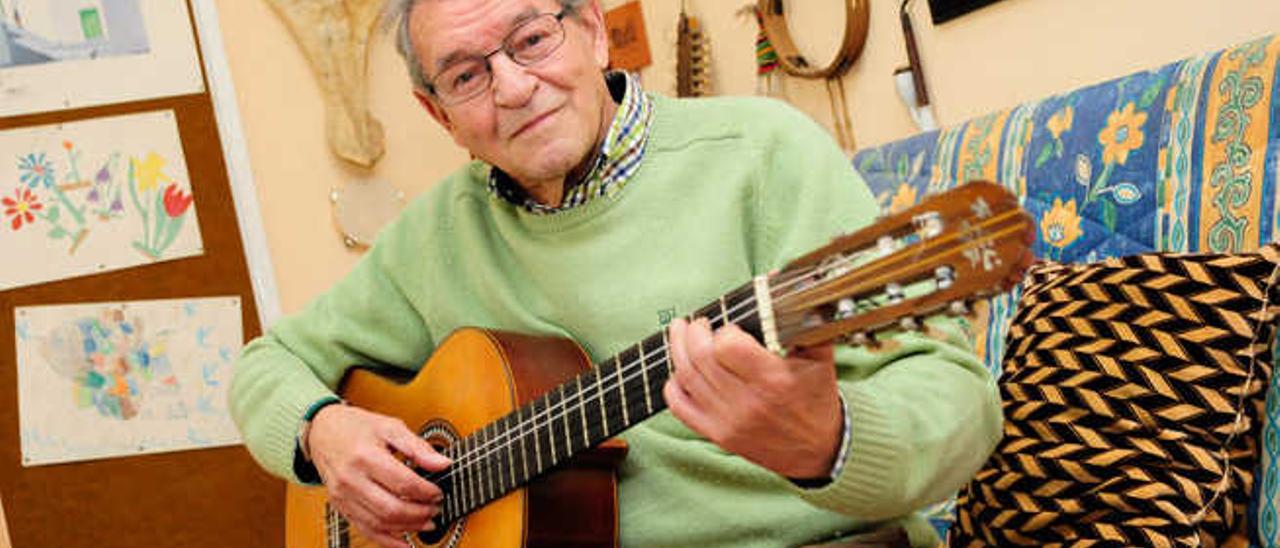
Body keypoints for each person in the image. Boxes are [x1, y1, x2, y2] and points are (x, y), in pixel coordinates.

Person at [228, 0, 1003, 546]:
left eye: (531, 38)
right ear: (439, 117)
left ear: (594, 30)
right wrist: (320, 432)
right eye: (466, 76)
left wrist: (828, 441)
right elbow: (267, 366)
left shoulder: (763, 153)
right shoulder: (434, 237)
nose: (513, 87)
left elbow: (961, 407)